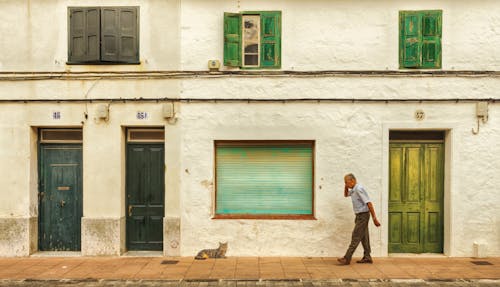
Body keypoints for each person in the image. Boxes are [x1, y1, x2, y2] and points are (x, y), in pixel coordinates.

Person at [337, 173, 381, 265]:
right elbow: (345, 195)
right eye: (345, 182)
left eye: (346, 182)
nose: (346, 184)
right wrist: (346, 186)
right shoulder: (353, 189)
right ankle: (367, 257)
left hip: (363, 216)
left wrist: (374, 218)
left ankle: (347, 258)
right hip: (359, 216)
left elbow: (369, 203)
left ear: (352, 181)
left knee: (356, 236)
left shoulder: (359, 189)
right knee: (364, 237)